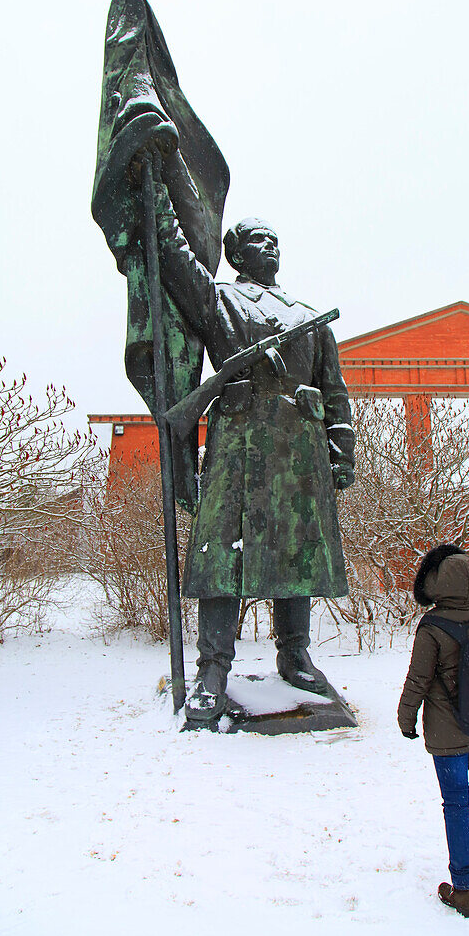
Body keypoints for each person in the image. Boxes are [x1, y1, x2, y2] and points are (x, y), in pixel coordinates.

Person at [150, 159, 355, 723]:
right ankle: (213, 668)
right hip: (239, 446)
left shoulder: (311, 317)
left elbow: (334, 392)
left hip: (300, 453)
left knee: (299, 558)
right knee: (222, 557)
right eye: (257, 242)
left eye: (275, 242)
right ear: (236, 254)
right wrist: (158, 192)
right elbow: (174, 258)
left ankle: (296, 658)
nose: (270, 249)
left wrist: (343, 452)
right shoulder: (222, 301)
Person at [397, 544, 469, 918]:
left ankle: (462, 889)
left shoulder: (432, 627)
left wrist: (405, 718)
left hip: (448, 736)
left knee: (457, 806)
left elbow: (418, 680)